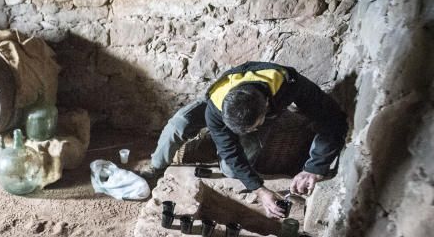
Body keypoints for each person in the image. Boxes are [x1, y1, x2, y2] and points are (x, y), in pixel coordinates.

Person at [142, 61, 349, 217]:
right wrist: (260, 190)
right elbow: (229, 149)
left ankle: (231, 134)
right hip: (224, 105)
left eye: (253, 127)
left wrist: (315, 167)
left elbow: (333, 119)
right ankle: (156, 167)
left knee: (231, 171)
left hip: (260, 105)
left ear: (267, 106)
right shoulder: (215, 107)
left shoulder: (290, 84)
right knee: (179, 124)